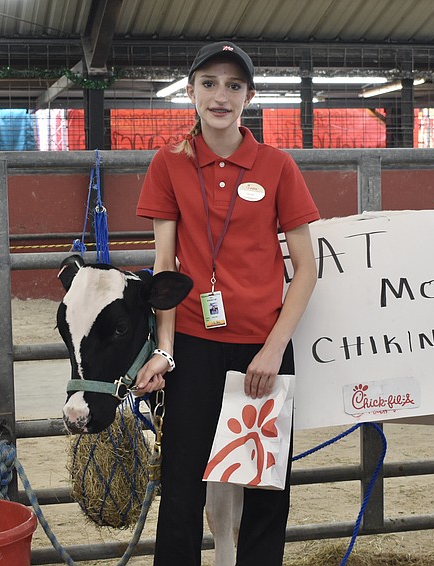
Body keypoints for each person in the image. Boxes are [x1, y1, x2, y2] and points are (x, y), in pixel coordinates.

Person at [134, 41, 320, 566]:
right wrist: (165, 351)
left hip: (262, 353)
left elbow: (306, 268)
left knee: (265, 490)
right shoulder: (168, 164)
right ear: (189, 92)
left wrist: (272, 350)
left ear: (249, 96)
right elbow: (165, 269)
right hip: (193, 345)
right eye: (209, 83)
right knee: (182, 487)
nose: (221, 95)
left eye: (234, 85)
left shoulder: (277, 166)